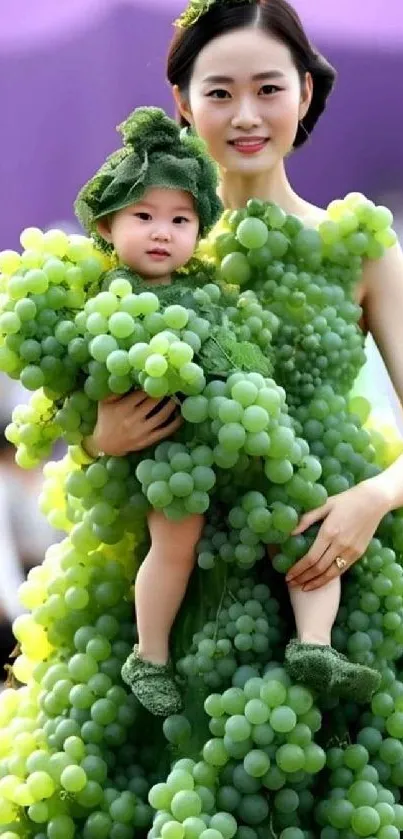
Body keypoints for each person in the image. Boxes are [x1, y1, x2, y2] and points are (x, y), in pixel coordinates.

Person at [86, 0, 403, 700]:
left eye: (267, 88)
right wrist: (96, 436)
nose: (246, 116)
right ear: (182, 102)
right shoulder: (145, 246)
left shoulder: (357, 247)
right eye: (219, 93)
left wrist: (375, 497)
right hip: (169, 579)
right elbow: (78, 388)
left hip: (324, 559)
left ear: (304, 91)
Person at [76, 105, 222, 714]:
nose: (162, 231)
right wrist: (95, 432)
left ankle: (315, 640)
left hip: (221, 444)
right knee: (176, 540)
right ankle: (151, 652)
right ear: (108, 226)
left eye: (180, 219)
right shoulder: (106, 299)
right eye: (144, 215)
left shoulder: (208, 291)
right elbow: (78, 382)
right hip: (167, 454)